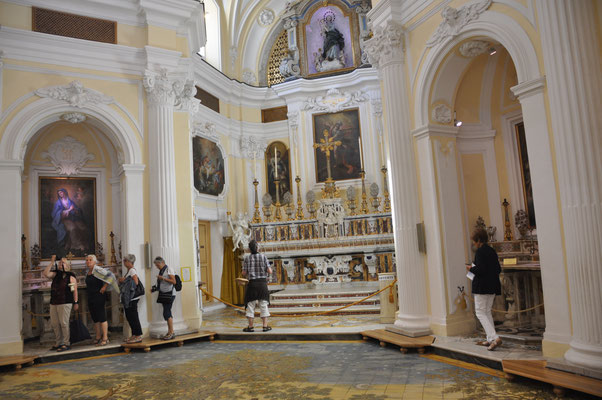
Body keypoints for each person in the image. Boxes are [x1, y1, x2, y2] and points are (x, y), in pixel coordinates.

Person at [466, 228, 503, 351]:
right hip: (492, 286)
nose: (474, 243)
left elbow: (481, 270)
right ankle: (490, 339)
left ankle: (495, 337)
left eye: (474, 241)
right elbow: (498, 269)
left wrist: (470, 268)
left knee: (480, 312)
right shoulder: (492, 250)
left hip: (482, 287)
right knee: (486, 312)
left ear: (479, 240)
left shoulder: (480, 252)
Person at [43, 255, 78, 352]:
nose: (60, 264)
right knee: (55, 323)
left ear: (67, 265)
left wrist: (76, 302)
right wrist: (51, 262)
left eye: (62, 263)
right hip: (54, 302)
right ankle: (58, 342)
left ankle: (66, 343)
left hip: (65, 302)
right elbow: (45, 273)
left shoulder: (71, 276)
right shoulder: (56, 274)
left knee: (64, 323)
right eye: (59, 263)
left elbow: (75, 290)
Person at [241, 240, 272, 332]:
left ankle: (250, 327)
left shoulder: (247, 258)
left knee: (250, 305)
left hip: (252, 284)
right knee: (263, 305)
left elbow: (244, 273)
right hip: (262, 284)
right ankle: (265, 326)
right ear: (258, 248)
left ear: (249, 249)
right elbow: (269, 271)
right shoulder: (263, 257)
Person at [85, 254, 112, 346]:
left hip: (99, 296)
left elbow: (110, 277)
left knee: (101, 317)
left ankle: (105, 338)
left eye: (90, 260)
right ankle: (98, 336)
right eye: (87, 260)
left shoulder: (98, 270)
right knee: (95, 318)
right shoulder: (88, 271)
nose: (88, 262)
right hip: (91, 296)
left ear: (95, 261)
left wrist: (104, 286)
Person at [118, 254, 143, 344]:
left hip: (133, 297)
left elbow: (135, 282)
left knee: (133, 316)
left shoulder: (132, 270)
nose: (124, 262)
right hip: (129, 298)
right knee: (129, 316)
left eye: (125, 260)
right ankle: (134, 334)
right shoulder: (128, 271)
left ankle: (138, 335)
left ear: (129, 262)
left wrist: (123, 280)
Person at [154, 256, 176, 340]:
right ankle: (170, 331)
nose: (156, 267)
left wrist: (162, 278)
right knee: (166, 312)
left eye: (157, 265)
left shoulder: (168, 269)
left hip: (170, 294)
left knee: (167, 312)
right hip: (164, 293)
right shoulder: (161, 270)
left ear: (161, 262)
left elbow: (173, 281)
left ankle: (172, 332)